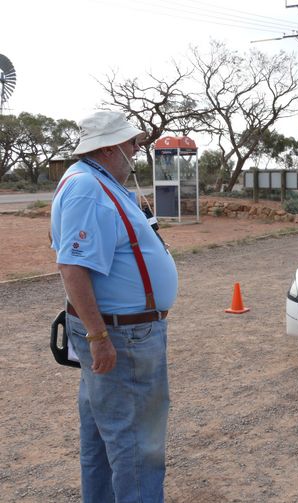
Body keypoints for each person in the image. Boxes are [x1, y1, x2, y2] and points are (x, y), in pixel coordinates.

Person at [50, 111, 178, 503]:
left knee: (103, 436)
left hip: (121, 330)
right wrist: (99, 335)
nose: (136, 150)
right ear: (107, 148)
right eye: (131, 144)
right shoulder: (88, 187)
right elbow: (73, 266)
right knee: (138, 443)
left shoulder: (97, 181)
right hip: (123, 334)